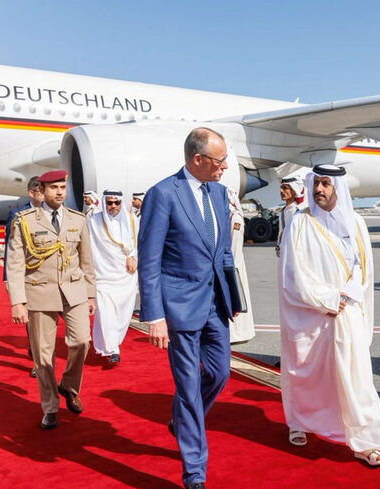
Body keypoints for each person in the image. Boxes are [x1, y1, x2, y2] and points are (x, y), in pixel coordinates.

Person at [278, 164, 380, 467]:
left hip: (348, 311)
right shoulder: (300, 224)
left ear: (338, 188)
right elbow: (293, 274)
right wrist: (328, 299)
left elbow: (363, 266)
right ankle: (301, 422)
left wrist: (348, 294)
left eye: (326, 184)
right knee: (307, 375)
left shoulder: (355, 222)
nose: (319, 190)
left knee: (357, 379)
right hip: (313, 313)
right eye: (316, 183)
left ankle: (366, 441)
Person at [138, 127, 237, 489]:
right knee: (188, 384)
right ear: (198, 159)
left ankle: (181, 420)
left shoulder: (219, 192)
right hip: (179, 307)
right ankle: (194, 469)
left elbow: (223, 251)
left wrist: (234, 296)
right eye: (219, 160)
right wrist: (154, 316)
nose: (224, 166)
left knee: (220, 372)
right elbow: (149, 260)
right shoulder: (163, 194)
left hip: (216, 304)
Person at [5, 170, 96, 430]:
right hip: (39, 292)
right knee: (44, 356)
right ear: (42, 190)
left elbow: (86, 261)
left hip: (74, 291)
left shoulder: (77, 220)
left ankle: (68, 385)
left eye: (63, 187)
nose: (59, 192)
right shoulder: (24, 221)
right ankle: (50, 407)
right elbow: (14, 264)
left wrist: (90, 294)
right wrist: (17, 301)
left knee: (81, 341)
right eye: (54, 187)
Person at [87, 190, 139, 367]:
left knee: (122, 315)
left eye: (117, 203)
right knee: (106, 312)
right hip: (103, 275)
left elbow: (139, 242)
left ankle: (112, 343)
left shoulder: (132, 219)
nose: (113, 206)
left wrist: (133, 256)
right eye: (109, 203)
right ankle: (113, 350)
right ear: (104, 203)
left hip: (126, 276)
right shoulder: (94, 222)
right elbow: (88, 247)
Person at [3, 175, 44, 377]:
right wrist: (7, 278)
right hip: (28, 277)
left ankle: (39, 352)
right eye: (42, 191)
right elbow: (9, 251)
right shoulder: (17, 215)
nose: (47, 195)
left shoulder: (54, 214)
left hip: (51, 279)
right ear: (32, 193)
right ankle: (39, 362)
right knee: (34, 323)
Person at [227, 187, 255, 343]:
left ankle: (238, 333)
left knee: (236, 298)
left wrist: (230, 266)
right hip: (231, 263)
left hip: (233, 264)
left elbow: (234, 245)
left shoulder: (234, 217)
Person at [276, 175, 306, 256]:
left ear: (294, 190)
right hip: (284, 253)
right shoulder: (283, 211)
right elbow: (281, 233)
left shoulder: (300, 211)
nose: (281, 191)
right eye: (281, 188)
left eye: (285, 188)